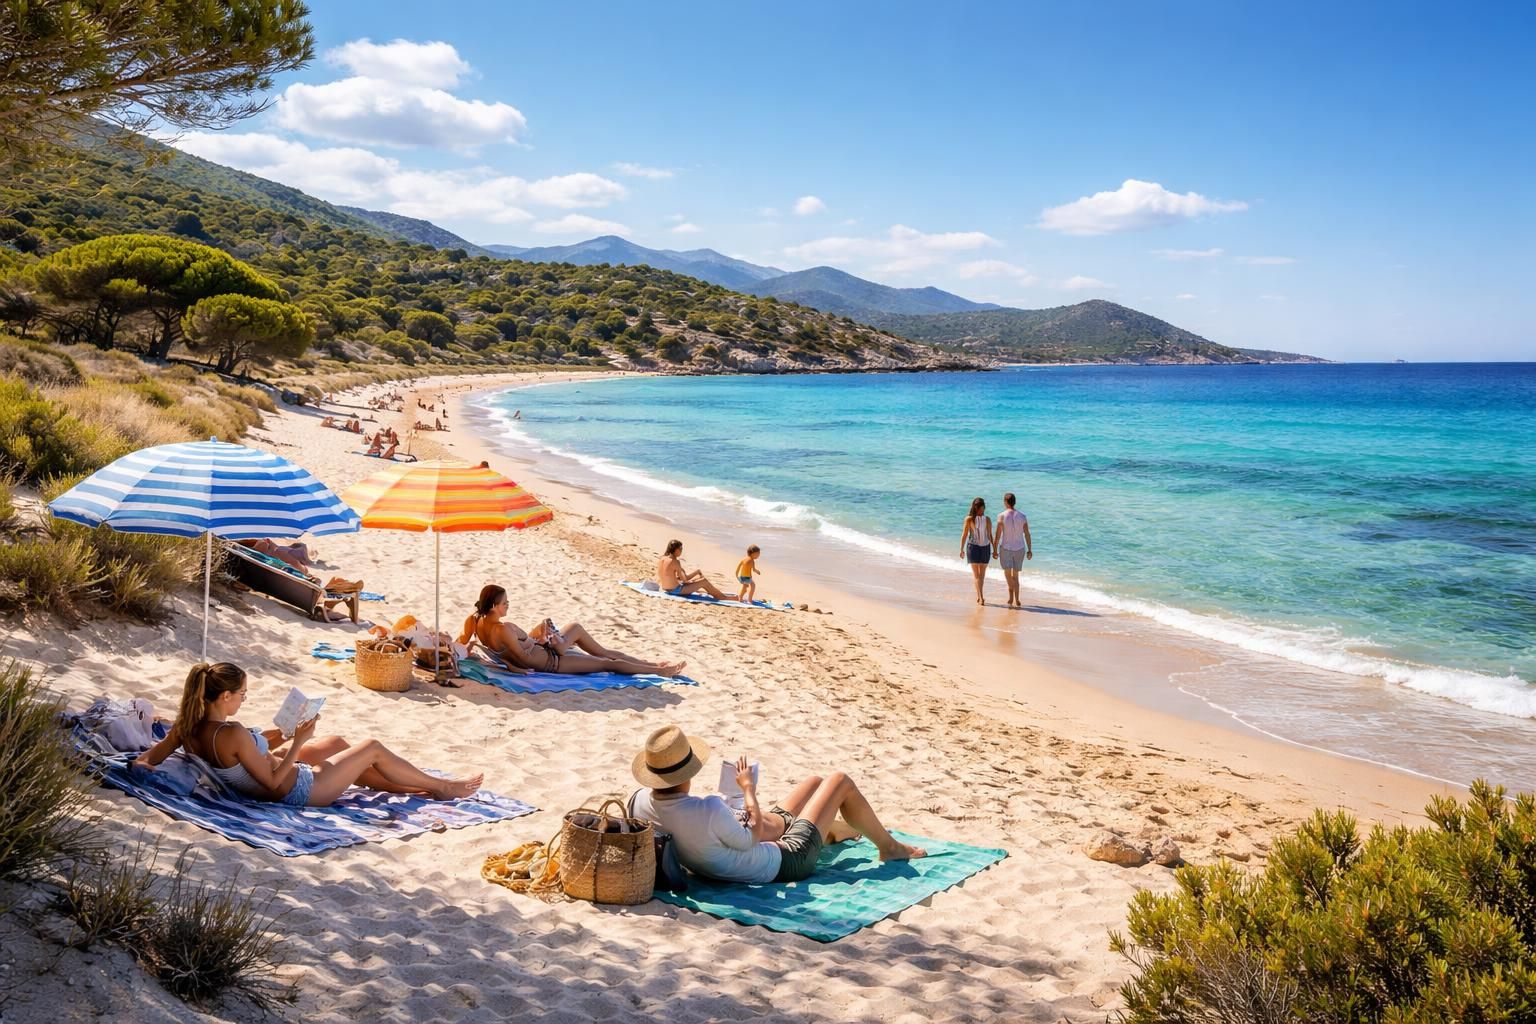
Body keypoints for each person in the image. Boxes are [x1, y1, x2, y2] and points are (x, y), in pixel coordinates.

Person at [132, 663, 483, 804]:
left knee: (338, 744)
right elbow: (270, 782)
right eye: (243, 695)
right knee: (370, 747)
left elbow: (147, 759)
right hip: (297, 789)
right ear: (225, 697)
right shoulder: (232, 732)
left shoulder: (187, 726)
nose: (244, 699)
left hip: (270, 768)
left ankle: (411, 786)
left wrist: (287, 732)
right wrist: (298, 741)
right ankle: (442, 787)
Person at [628, 725, 925, 884]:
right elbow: (751, 837)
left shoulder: (637, 803)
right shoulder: (707, 810)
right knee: (839, 780)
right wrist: (748, 791)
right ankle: (890, 848)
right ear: (690, 771)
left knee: (813, 782)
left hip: (720, 858)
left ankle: (835, 831)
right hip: (785, 861)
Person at [459, 585, 686, 677]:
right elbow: (523, 660)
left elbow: (461, 644)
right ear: (494, 606)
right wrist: (546, 642)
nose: (508, 606)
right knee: (607, 661)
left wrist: (541, 633)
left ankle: (652, 664)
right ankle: (658, 671)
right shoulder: (503, 629)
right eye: (505, 603)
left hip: (546, 651)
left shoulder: (474, 620)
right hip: (553, 661)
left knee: (603, 652)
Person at [993, 492, 1033, 609]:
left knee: (1007, 574)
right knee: (1015, 575)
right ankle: (1015, 599)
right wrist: (1030, 549)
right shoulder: (1023, 516)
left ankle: (1012, 597)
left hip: (1006, 548)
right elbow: (1027, 534)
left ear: (1005, 502)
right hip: (1020, 548)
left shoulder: (1001, 516)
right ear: (1014, 502)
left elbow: (997, 535)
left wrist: (995, 549)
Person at [657, 539, 729, 599]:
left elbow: (667, 575)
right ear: (675, 550)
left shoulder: (662, 558)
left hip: (665, 588)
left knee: (699, 581)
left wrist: (696, 574)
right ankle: (723, 597)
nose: (681, 551)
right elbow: (685, 580)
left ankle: (719, 595)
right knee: (704, 581)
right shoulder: (675, 562)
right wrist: (693, 580)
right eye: (680, 549)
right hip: (675, 590)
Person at [959, 497, 993, 605]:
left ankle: (980, 596)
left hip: (981, 547)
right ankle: (981, 596)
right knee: (978, 575)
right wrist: (961, 549)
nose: (981, 510)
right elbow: (964, 535)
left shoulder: (984, 519)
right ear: (978, 507)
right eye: (980, 508)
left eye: (982, 508)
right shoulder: (970, 519)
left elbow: (990, 535)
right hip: (976, 547)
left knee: (980, 575)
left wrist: (995, 549)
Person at [238, 537, 315, 571]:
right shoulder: (286, 553)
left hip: (270, 550)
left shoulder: (284, 552)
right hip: (272, 550)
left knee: (272, 548)